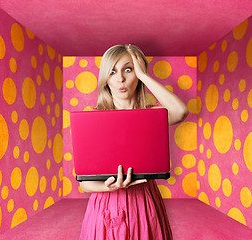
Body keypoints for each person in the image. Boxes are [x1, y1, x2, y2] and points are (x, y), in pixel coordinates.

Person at [79, 44, 189, 240]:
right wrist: (111, 187)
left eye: (128, 70)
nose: (120, 78)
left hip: (144, 202)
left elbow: (180, 111)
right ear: (105, 78)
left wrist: (144, 76)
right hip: (106, 203)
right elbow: (85, 184)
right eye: (112, 72)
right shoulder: (94, 118)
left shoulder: (152, 116)